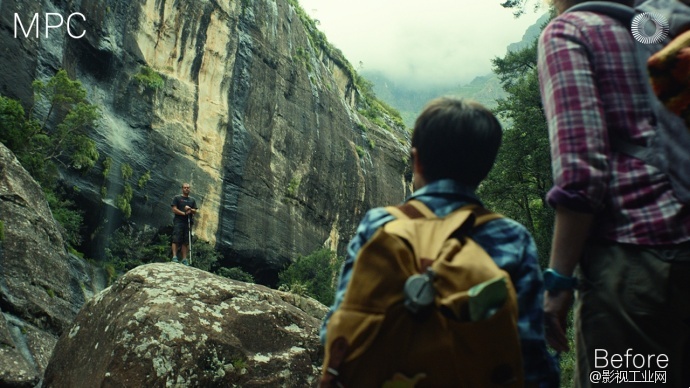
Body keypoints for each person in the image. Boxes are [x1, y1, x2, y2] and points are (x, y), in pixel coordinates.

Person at [320, 97, 560, 386]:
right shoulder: (512, 237)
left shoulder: (379, 224)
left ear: (416, 159)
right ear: (484, 169)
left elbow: (336, 326)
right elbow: (529, 352)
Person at [537, 1, 690, 386]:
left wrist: (558, 283)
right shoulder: (665, 27)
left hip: (635, 266)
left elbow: (581, 174)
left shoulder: (571, 31)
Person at [171, 182, 198, 266]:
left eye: (188, 188)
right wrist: (184, 213)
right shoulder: (177, 198)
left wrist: (190, 209)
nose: (187, 189)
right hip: (179, 221)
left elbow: (195, 211)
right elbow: (174, 209)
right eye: (185, 187)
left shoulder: (192, 200)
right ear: (182, 189)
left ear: (190, 189)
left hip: (188, 222)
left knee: (186, 241)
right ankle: (174, 257)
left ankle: (184, 259)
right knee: (176, 238)